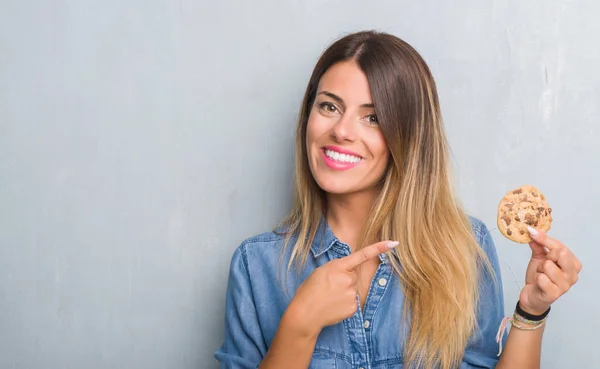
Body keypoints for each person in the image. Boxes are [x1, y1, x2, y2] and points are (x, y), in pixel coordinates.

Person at [214, 30, 582, 369]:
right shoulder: (256, 266)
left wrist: (532, 311)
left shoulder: (465, 248)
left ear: (409, 137)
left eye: (372, 117)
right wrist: (299, 326)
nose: (341, 131)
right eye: (329, 106)